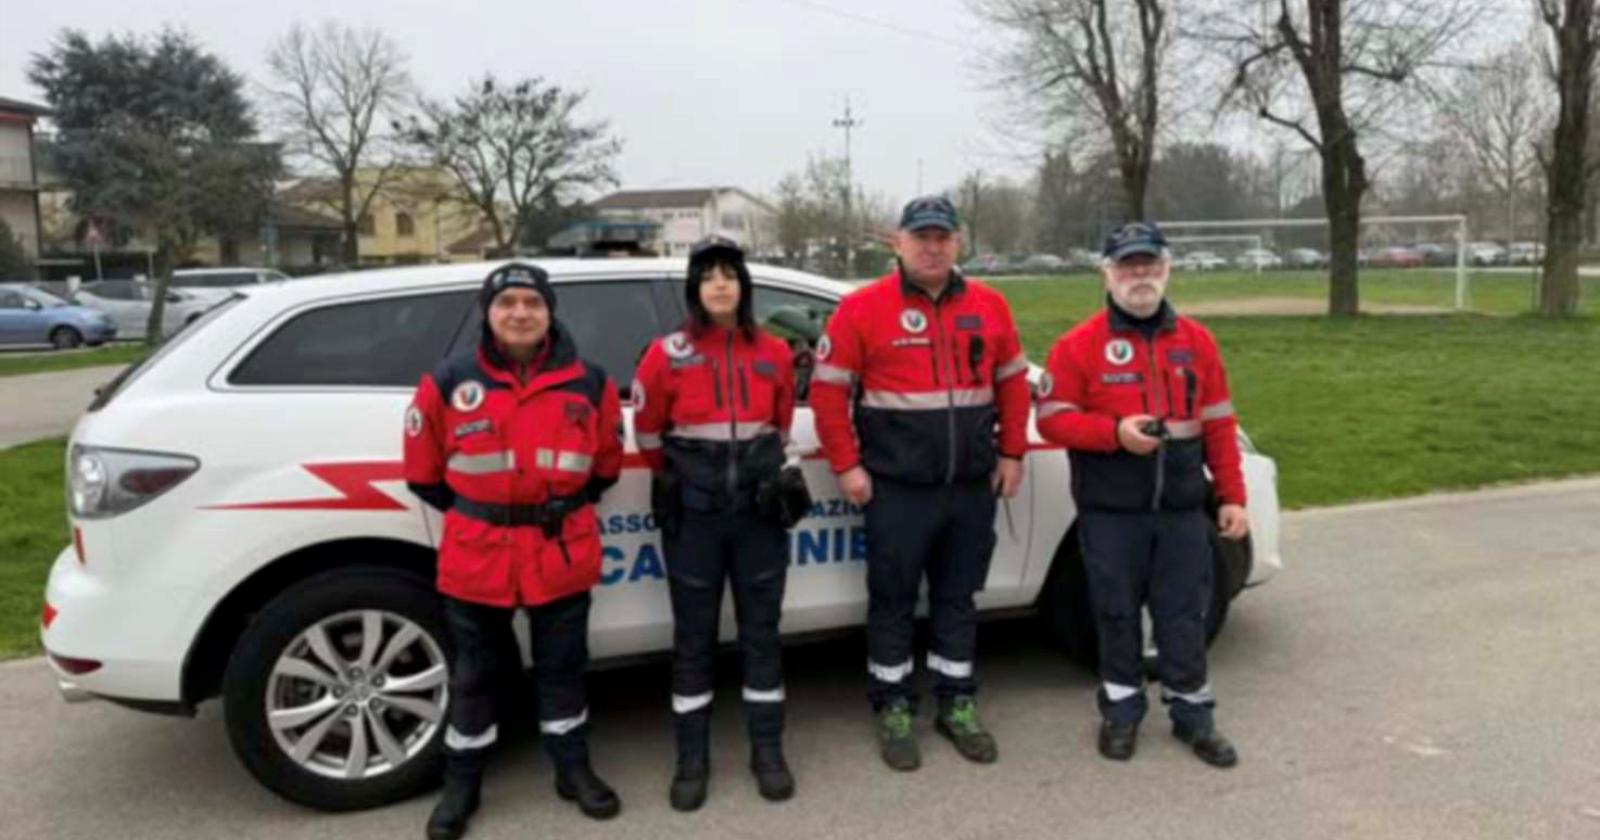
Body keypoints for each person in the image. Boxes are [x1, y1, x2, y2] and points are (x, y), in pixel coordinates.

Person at [403, 263, 625, 840]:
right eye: (507, 303)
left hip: (560, 548)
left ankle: (572, 768)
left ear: (550, 311)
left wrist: (548, 508)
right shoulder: (448, 380)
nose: (520, 312)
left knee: (564, 668)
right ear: (489, 313)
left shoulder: (590, 383)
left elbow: (604, 467)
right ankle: (463, 782)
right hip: (480, 551)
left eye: (532, 301)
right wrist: (490, 512)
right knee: (476, 674)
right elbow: (424, 474)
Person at [810, 195, 1031, 771]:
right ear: (898, 243)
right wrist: (847, 466)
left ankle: (957, 703)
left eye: (943, 237)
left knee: (959, 599)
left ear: (958, 243)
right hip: (897, 488)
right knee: (893, 601)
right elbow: (828, 393)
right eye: (921, 237)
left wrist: (1013, 452)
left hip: (969, 487)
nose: (933, 247)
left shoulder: (990, 305)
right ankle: (893, 705)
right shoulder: (862, 309)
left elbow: (1012, 383)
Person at [1034, 221, 1250, 769]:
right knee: (1115, 613)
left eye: (1149, 264)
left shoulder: (1196, 342)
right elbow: (1053, 420)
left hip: (1180, 511)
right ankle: (1122, 712)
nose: (1140, 275)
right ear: (1107, 274)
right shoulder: (1078, 345)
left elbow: (1219, 424)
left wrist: (1232, 496)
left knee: (1182, 615)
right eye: (1128, 265)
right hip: (1111, 512)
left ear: (1167, 268)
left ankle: (1193, 715)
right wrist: (1113, 434)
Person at [633, 236, 808, 810]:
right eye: (707, 275)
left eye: (730, 273)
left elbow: (779, 426)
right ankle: (692, 758)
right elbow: (649, 434)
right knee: (693, 639)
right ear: (694, 287)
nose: (720, 283)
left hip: (758, 514)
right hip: (696, 515)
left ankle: (767, 750)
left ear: (744, 284)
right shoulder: (666, 353)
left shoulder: (776, 353)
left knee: (762, 635)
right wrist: (695, 478)